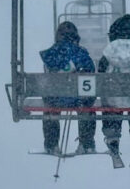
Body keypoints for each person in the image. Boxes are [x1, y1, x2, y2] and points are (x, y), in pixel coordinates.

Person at [97, 14, 130, 167]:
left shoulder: (107, 57)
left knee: (110, 104)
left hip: (113, 101)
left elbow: (100, 79)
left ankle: (113, 140)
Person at [39, 21, 97, 155]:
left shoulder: (50, 55)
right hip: (80, 100)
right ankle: (86, 144)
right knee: (88, 109)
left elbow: (48, 78)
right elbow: (91, 72)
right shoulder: (81, 54)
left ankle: (51, 145)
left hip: (56, 99)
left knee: (50, 109)